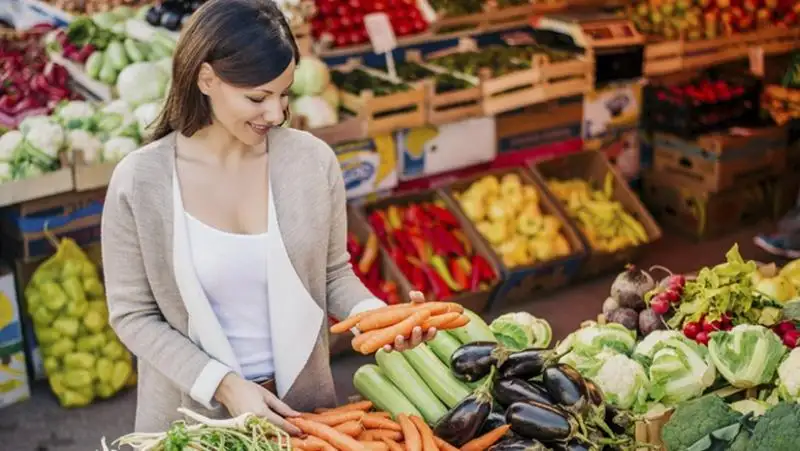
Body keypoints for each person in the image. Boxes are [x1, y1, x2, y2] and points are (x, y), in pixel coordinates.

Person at [100, 0, 436, 435]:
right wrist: (223, 385)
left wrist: (380, 319)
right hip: (191, 420)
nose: (276, 114)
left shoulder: (312, 161)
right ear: (206, 78)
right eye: (257, 98)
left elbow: (333, 275)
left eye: (285, 94)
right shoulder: (139, 181)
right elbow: (133, 315)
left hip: (306, 419)